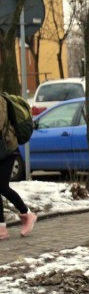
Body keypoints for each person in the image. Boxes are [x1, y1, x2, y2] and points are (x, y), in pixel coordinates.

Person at [0, 94, 36, 239]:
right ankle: (2, 228)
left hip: (7, 150)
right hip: (2, 150)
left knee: (1, 186)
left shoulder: (0, 100)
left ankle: (27, 214)